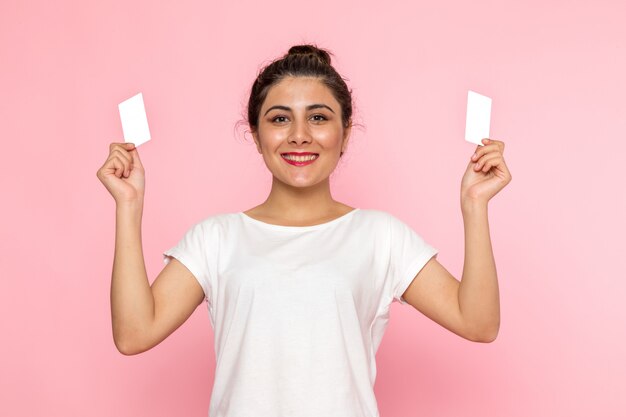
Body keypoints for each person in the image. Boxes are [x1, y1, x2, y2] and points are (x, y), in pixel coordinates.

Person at [96, 44, 512, 417]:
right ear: (256, 136)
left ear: (345, 134)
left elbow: (478, 323)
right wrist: (128, 205)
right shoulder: (215, 239)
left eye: (318, 117)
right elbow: (134, 334)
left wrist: (475, 205)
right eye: (279, 119)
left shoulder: (380, 236)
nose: (299, 136)